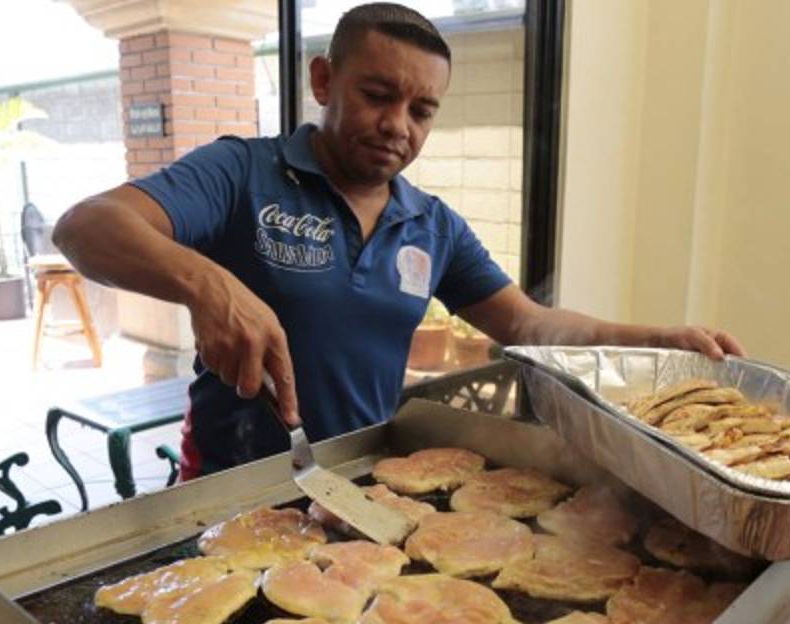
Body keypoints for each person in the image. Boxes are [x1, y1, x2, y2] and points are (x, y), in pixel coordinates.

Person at [53, 2, 745, 481]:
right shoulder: (242, 173)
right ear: (323, 80)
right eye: (378, 95)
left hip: (358, 477)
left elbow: (527, 324)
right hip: (231, 479)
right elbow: (86, 226)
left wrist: (657, 340)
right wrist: (209, 285)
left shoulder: (431, 224)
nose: (398, 126)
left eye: (422, 110)